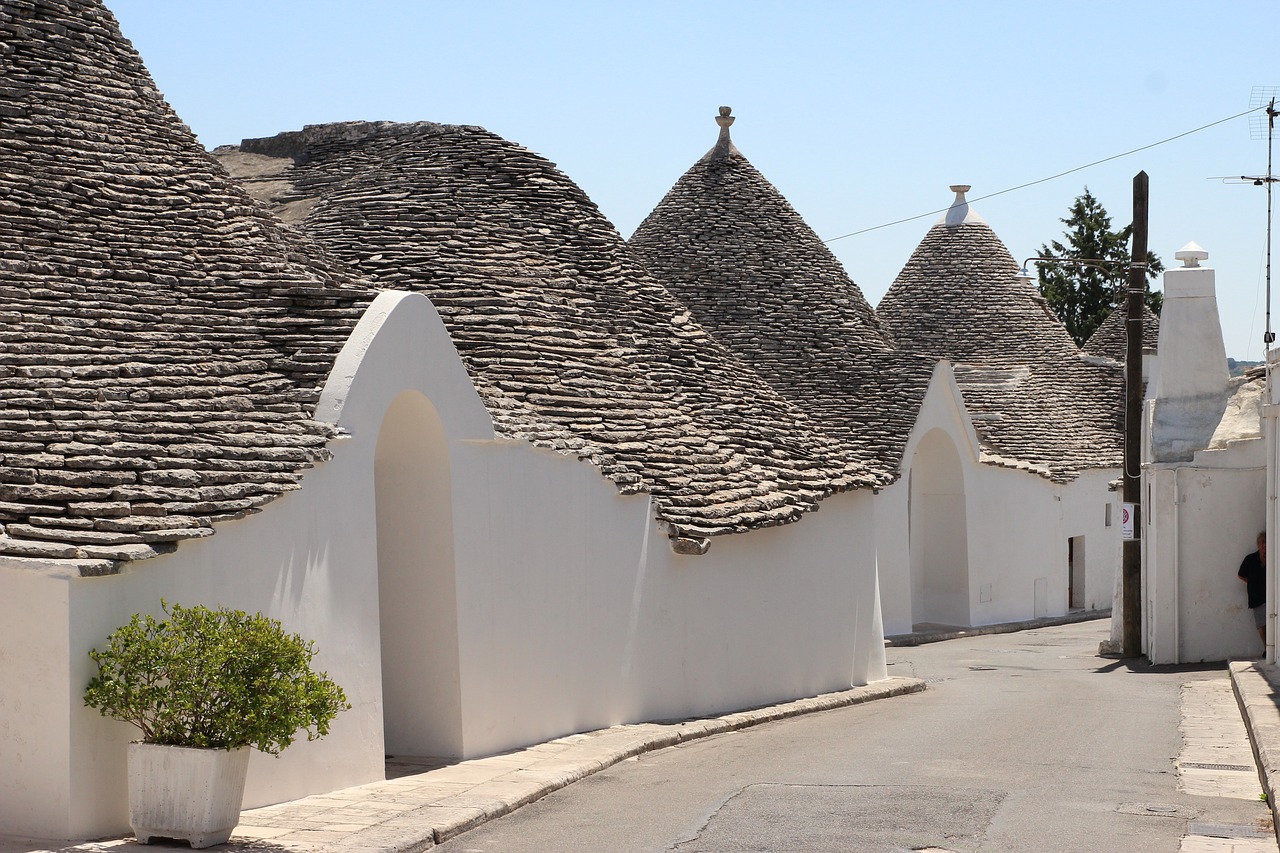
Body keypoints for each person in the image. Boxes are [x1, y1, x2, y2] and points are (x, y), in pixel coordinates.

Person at [1238, 531, 1267, 644]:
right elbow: (1241, 575)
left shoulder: (1274, 558)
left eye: (1266, 542)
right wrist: (1253, 584)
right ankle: (1267, 648)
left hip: (1272, 596)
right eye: (1262, 542)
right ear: (1258, 544)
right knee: (1262, 624)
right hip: (1257, 597)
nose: (1264, 545)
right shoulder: (1250, 559)